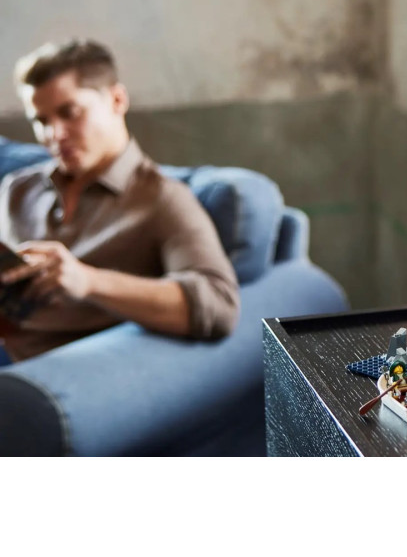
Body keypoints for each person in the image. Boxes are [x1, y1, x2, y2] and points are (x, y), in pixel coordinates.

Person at [0, 40, 239, 362]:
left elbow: (219, 307)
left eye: (69, 113)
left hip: (53, 370)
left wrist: (88, 281)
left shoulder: (162, 199)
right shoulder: (17, 189)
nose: (53, 134)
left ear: (117, 100)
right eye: (41, 121)